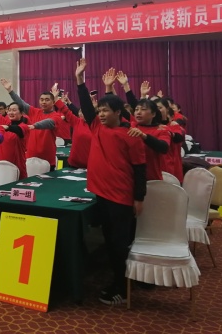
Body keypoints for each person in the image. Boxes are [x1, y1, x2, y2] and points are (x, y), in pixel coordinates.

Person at [75, 58, 146, 306]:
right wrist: (80, 80)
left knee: (119, 244)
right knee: (108, 240)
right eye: (100, 111)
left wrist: (139, 198)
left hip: (121, 197)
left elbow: (140, 169)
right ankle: (116, 280)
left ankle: (122, 288)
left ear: (118, 113)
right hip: (102, 195)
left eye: (106, 111)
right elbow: (86, 106)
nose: (101, 114)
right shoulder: (97, 127)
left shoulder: (131, 135)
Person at [0, 78, 59, 168]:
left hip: (47, 158)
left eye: (47, 100)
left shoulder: (56, 116)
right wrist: (10, 91)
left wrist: (35, 126)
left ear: (53, 102)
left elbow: (49, 122)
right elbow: (21, 103)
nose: (44, 102)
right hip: (31, 156)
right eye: (41, 99)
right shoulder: (34, 112)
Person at [51, 87, 91, 169]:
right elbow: (65, 110)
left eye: (85, 111)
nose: (82, 114)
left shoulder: (97, 125)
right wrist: (55, 98)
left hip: (91, 164)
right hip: (73, 163)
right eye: (81, 111)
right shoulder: (77, 121)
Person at [156, 98, 185, 183]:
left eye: (160, 107)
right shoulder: (151, 126)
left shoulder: (174, 126)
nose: (157, 110)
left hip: (172, 170)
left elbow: (178, 137)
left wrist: (168, 132)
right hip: (156, 170)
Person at [0, 102, 29, 179]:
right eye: (9, 110)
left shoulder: (24, 127)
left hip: (17, 165)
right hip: (1, 166)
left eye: (14, 110)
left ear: (21, 113)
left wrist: (7, 127)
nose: (11, 112)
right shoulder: (5, 126)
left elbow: (18, 130)